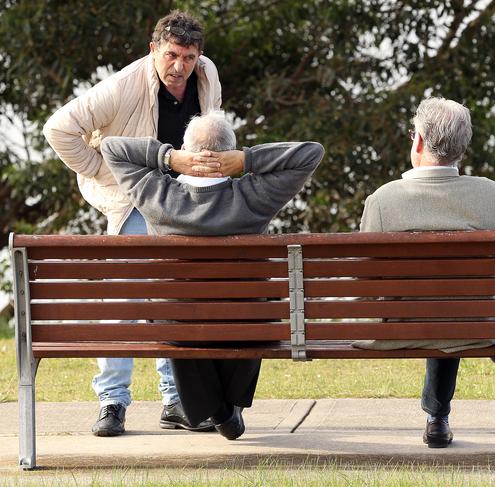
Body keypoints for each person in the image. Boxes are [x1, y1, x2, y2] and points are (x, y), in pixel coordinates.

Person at [43, 10, 222, 436]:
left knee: (174, 300)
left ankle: (175, 400)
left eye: (190, 57)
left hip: (182, 200)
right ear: (154, 50)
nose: (180, 67)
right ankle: (112, 402)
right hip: (135, 200)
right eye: (172, 55)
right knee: (124, 300)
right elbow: (58, 129)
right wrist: (102, 172)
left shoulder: (207, 74)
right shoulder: (121, 86)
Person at [100, 110, 324, 440]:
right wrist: (247, 160)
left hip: (181, 327)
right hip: (248, 324)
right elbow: (311, 152)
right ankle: (227, 407)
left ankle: (216, 409)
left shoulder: (160, 197)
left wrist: (170, 158)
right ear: (229, 152)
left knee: (177, 315)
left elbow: (112, 148)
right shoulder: (254, 197)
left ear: (188, 150)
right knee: (256, 309)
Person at [358, 96, 495, 449]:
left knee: (436, 305)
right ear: (462, 148)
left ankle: (437, 414)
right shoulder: (490, 194)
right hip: (475, 327)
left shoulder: (382, 200)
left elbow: (366, 287)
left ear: (417, 141)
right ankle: (438, 414)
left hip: (401, 327)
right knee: (453, 307)